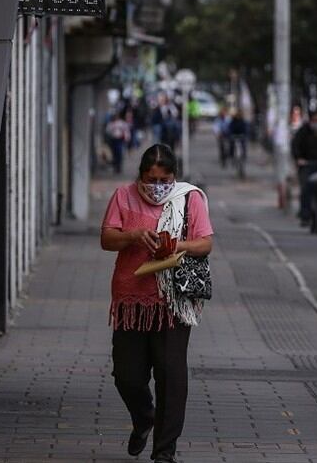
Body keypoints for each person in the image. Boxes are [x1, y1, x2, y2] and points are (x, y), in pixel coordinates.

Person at [100, 144, 213, 463]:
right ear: (140, 176)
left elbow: (205, 244)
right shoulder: (123, 196)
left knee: (171, 375)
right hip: (131, 301)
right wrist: (135, 236)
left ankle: (164, 451)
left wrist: (175, 245)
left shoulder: (189, 198)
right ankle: (143, 417)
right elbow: (107, 239)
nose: (158, 186)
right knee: (127, 375)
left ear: (175, 177)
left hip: (173, 301)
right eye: (151, 179)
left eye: (165, 178)